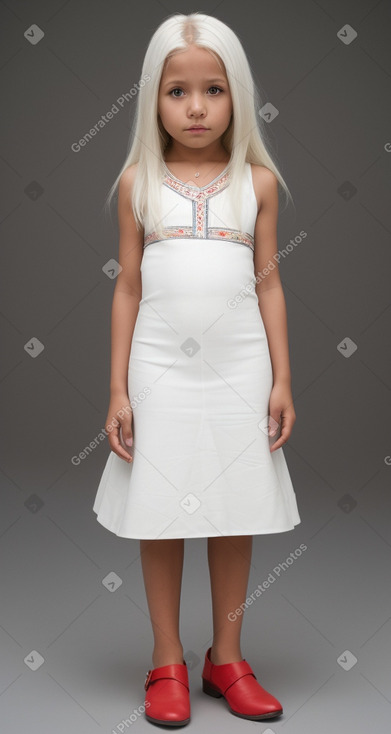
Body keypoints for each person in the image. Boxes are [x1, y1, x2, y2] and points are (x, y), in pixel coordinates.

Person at [93, 11, 301, 727]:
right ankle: (165, 659)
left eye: (213, 89)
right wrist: (118, 388)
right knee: (161, 511)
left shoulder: (258, 183)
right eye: (177, 92)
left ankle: (227, 657)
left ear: (237, 95)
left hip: (238, 368)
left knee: (232, 511)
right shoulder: (135, 184)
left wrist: (280, 378)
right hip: (158, 371)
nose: (196, 108)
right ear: (152, 98)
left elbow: (268, 281)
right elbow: (127, 286)